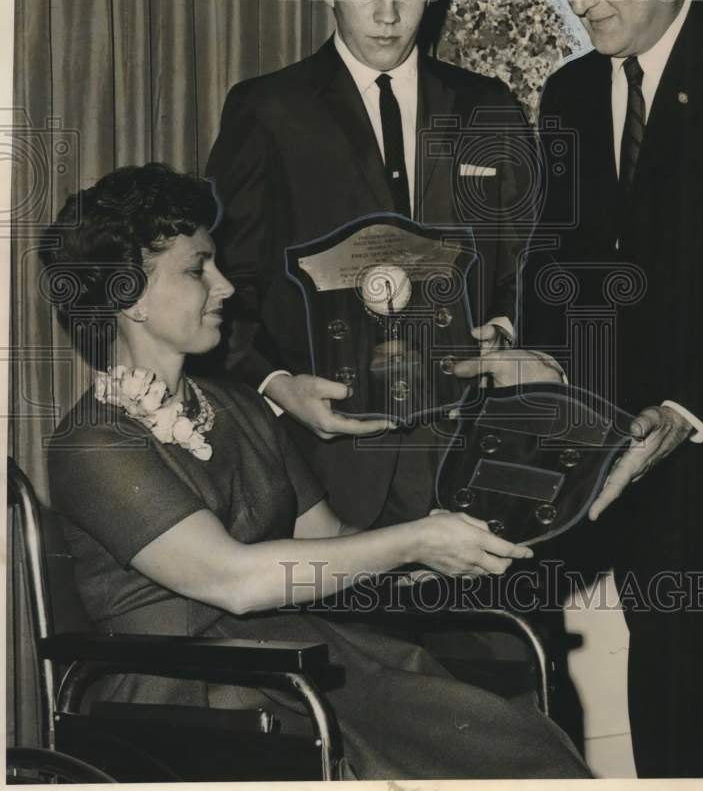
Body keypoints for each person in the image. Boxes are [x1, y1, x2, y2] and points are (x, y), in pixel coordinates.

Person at [42, 163, 589, 781]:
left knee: (509, 741)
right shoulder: (92, 443)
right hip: (189, 695)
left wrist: (441, 539)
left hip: (294, 662)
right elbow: (234, 581)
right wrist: (412, 542)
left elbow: (330, 543)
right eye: (198, 270)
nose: (225, 286)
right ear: (129, 298)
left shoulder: (239, 406)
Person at [520, 0, 703, 776]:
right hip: (640, 477)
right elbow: (557, 262)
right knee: (679, 734)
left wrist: (685, 410)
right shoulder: (571, 96)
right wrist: (529, 351)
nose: (581, 0)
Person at [205, 0, 534, 530]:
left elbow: (532, 261)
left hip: (474, 459)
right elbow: (223, 286)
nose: (387, 16)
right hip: (327, 472)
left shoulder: (490, 107)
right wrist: (277, 385)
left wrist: (508, 331)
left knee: (500, 635)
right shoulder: (268, 111)